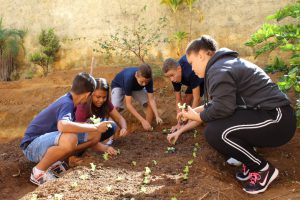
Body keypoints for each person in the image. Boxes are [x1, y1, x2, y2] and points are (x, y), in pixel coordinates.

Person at [169, 35, 296, 194]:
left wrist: (196, 116)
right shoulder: (222, 65)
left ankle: (262, 169)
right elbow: (221, 102)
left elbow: (223, 108)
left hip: (277, 119)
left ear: (201, 56)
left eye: (192, 63)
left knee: (215, 132)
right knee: (218, 127)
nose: (192, 69)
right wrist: (193, 111)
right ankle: (250, 163)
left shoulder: (219, 70)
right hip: (267, 114)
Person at [20, 72, 113, 186]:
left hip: (42, 143)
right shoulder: (67, 103)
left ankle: (54, 164)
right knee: (70, 138)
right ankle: (38, 173)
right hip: (31, 147)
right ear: (88, 94)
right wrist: (95, 126)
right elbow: (63, 126)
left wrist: (95, 131)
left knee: (94, 135)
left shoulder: (70, 102)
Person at [75, 78, 128, 155]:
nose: (101, 100)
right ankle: (86, 147)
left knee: (111, 126)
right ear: (91, 94)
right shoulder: (83, 105)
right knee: (79, 150)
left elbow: (119, 118)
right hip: (77, 135)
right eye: (98, 97)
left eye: (104, 97)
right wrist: (105, 148)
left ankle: (94, 144)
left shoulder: (106, 103)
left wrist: (124, 128)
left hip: (92, 132)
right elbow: (79, 133)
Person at [162, 55, 204, 139]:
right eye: (169, 77)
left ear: (179, 69)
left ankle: (189, 122)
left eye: (172, 75)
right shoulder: (174, 77)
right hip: (190, 80)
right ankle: (183, 121)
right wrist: (179, 123)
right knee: (186, 99)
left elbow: (197, 98)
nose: (171, 79)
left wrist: (189, 123)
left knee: (194, 98)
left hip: (202, 77)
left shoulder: (190, 72)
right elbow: (178, 99)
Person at [111, 64, 163, 131]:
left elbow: (151, 100)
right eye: (142, 81)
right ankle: (113, 132)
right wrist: (142, 120)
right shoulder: (128, 78)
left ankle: (147, 129)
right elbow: (129, 105)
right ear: (136, 76)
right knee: (115, 109)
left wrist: (157, 116)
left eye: (146, 82)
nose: (144, 84)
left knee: (148, 104)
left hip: (135, 88)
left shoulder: (149, 79)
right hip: (118, 86)